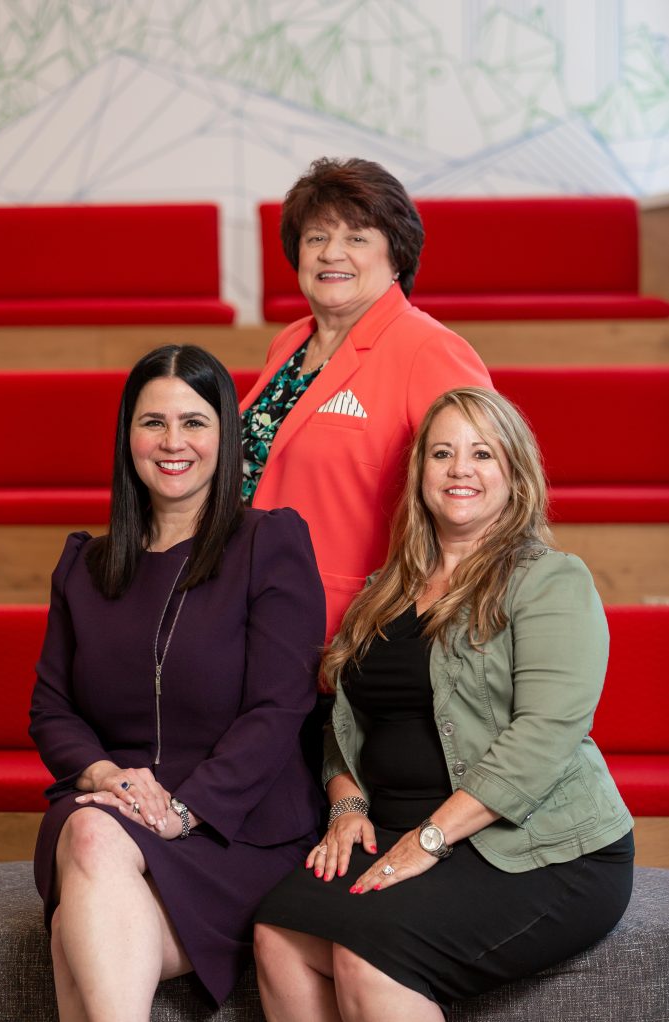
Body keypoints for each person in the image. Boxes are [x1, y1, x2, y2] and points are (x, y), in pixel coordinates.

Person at [253, 386, 634, 1022]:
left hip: (537, 847)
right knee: (279, 935)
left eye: (482, 453)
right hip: (398, 826)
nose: (461, 469)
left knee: (369, 955)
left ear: (514, 474)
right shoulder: (382, 591)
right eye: (442, 453)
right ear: (420, 473)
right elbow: (344, 726)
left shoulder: (549, 580)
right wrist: (346, 804)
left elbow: (545, 735)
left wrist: (429, 839)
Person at [29, 345, 326, 1022]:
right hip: (116, 810)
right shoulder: (84, 566)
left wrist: (185, 810)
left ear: (225, 437)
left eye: (194, 422)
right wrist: (107, 776)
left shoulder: (269, 544)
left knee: (78, 913)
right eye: (152, 422)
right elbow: (52, 708)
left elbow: (279, 706)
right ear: (127, 436)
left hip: (240, 829)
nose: (172, 442)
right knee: (90, 834)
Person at [241, 157, 492, 640]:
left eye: (356, 238)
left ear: (396, 256)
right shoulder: (289, 342)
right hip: (258, 610)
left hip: (360, 628)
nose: (331, 253)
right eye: (316, 237)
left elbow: (482, 495)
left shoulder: (430, 349)